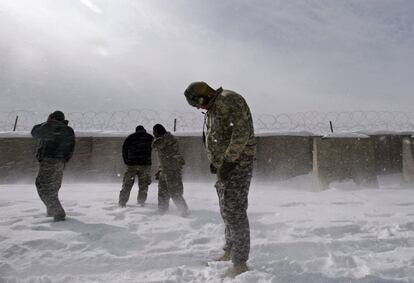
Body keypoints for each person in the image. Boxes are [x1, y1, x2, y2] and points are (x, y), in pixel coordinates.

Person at [184, 82, 256, 277]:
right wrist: (217, 161)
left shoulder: (228, 100)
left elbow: (241, 132)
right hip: (226, 164)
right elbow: (219, 135)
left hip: (237, 163)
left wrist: (229, 161)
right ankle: (230, 250)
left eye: (197, 104)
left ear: (203, 97)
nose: (198, 108)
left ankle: (240, 262)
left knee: (234, 211)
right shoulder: (215, 106)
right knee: (226, 210)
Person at [31, 110, 75, 222]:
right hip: (60, 162)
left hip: (48, 161)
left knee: (42, 186)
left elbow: (35, 132)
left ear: (52, 118)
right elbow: (71, 147)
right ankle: (52, 210)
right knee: (53, 188)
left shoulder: (49, 126)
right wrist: (64, 159)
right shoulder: (69, 130)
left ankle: (58, 212)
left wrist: (47, 122)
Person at [152, 123, 189, 216]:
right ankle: (162, 211)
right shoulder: (166, 138)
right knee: (162, 192)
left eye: (154, 132)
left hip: (171, 170)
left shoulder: (166, 138)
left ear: (157, 132)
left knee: (174, 191)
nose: (153, 134)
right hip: (165, 169)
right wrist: (160, 170)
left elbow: (155, 145)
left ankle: (183, 211)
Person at [119, 125, 154, 207]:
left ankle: (122, 202)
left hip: (132, 165)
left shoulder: (130, 137)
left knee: (127, 184)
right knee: (143, 185)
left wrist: (126, 161)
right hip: (145, 165)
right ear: (144, 130)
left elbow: (124, 150)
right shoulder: (149, 137)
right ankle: (141, 202)